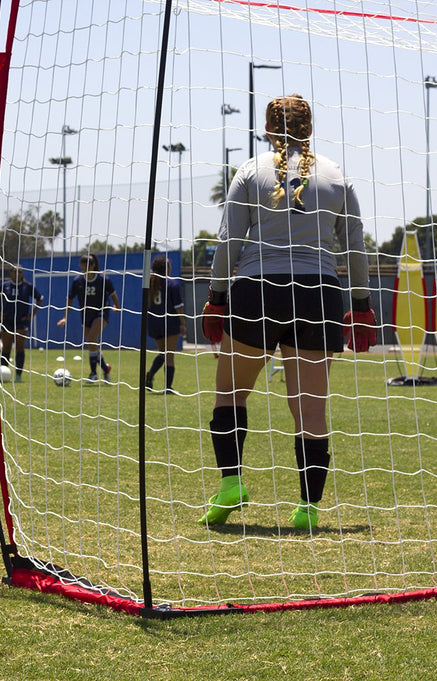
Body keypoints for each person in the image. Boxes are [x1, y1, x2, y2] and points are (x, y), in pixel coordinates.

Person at [199, 93, 377, 531]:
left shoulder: (248, 172)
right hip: (318, 295)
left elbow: (229, 246)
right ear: (309, 129)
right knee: (310, 411)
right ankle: (308, 509)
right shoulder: (337, 176)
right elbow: (355, 249)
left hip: (257, 292)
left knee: (230, 394)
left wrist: (216, 299)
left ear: (266, 129)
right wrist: (361, 307)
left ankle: (230, 485)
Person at [57, 253, 121, 382]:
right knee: (92, 343)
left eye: (88, 265)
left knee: (91, 338)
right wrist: (65, 317)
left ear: (93, 266)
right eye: (83, 265)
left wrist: (117, 306)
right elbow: (70, 299)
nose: (85, 268)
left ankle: (93, 373)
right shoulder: (77, 281)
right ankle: (105, 368)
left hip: (101, 313)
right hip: (86, 314)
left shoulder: (103, 280)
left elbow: (113, 295)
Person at [0, 264, 44, 382]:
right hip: (7, 320)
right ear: (11, 273)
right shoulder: (5, 286)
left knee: (20, 348)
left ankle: (18, 376)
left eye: (20, 272)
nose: (18, 274)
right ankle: (3, 374)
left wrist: (32, 314)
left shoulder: (27, 286)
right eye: (15, 271)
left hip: (22, 321)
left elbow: (40, 298)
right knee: (6, 347)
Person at [145, 254, 186, 394]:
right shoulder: (172, 284)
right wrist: (183, 323)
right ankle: (168, 387)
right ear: (166, 268)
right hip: (169, 322)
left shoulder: (149, 283)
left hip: (154, 323)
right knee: (169, 355)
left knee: (162, 353)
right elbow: (178, 307)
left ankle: (150, 373)